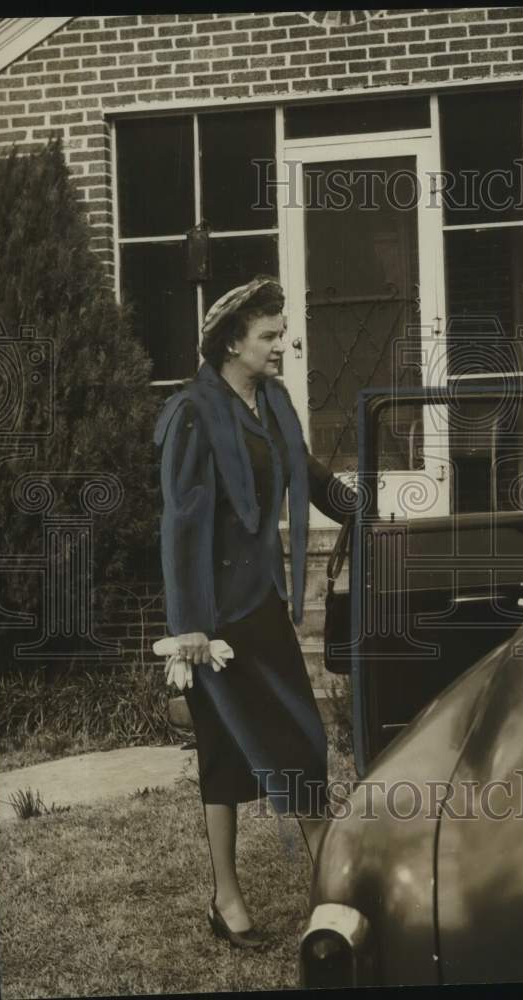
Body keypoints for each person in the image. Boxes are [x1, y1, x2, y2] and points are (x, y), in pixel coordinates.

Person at [154, 275, 357, 949]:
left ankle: (327, 891)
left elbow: (308, 471)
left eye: (281, 332)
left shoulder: (271, 402)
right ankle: (232, 900)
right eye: (269, 335)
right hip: (214, 618)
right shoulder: (194, 411)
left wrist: (362, 507)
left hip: (260, 601)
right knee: (225, 753)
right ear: (231, 341)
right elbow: (183, 525)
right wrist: (188, 631)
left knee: (300, 738)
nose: (282, 345)